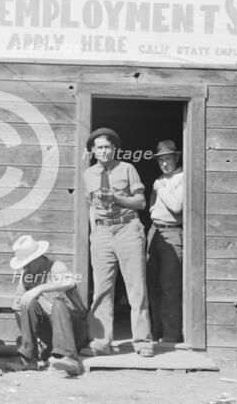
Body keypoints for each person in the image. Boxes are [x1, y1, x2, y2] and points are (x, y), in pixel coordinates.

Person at [83, 128, 154, 357]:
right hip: (102, 233)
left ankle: (143, 342)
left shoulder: (127, 168)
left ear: (114, 149)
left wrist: (117, 198)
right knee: (102, 290)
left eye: (107, 147)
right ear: (93, 151)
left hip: (127, 228)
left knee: (136, 288)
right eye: (99, 147)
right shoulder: (88, 175)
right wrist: (94, 233)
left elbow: (141, 202)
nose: (103, 151)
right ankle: (100, 342)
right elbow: (91, 207)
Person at [10, 235, 88, 376]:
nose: (25, 267)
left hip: (74, 330)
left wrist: (40, 288)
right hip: (51, 333)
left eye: (27, 263)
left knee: (58, 304)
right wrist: (31, 337)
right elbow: (17, 307)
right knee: (27, 302)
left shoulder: (56, 266)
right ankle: (29, 357)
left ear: (37, 258)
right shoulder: (26, 275)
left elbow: (70, 282)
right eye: (23, 264)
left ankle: (69, 358)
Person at [147, 140, 184, 343]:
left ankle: (171, 335)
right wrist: (154, 211)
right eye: (160, 160)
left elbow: (177, 206)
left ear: (176, 158)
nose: (164, 164)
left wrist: (160, 189)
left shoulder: (182, 177)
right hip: (154, 230)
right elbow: (151, 205)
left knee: (169, 286)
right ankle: (156, 331)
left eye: (167, 159)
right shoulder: (161, 179)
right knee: (153, 285)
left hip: (172, 232)